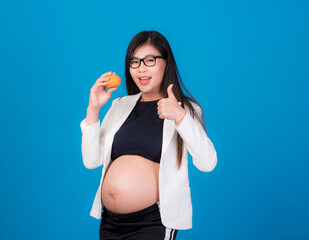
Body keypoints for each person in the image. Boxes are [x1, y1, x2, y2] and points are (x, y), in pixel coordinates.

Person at [80, 30, 217, 240]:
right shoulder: (119, 106)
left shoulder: (184, 109)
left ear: (166, 62)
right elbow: (91, 161)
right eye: (134, 62)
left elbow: (207, 163)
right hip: (110, 223)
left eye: (149, 60)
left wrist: (180, 117)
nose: (141, 69)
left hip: (152, 222)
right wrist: (93, 109)